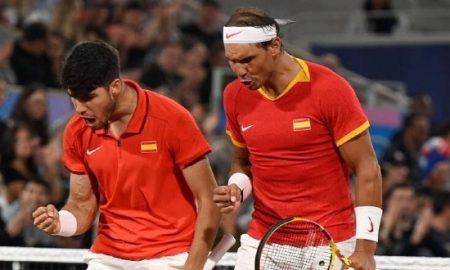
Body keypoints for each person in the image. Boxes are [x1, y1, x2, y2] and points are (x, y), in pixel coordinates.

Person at [213, 7, 382, 270]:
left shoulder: (329, 88)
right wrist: (237, 188)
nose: (239, 71)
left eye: (247, 59)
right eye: (232, 61)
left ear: (274, 46)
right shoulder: (234, 95)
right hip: (263, 239)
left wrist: (365, 249)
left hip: (330, 241)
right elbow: (243, 162)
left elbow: (367, 168)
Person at [32, 41, 220, 269]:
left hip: (170, 257)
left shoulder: (172, 119)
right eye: (74, 97)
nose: (80, 108)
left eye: (89, 97)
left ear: (115, 87)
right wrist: (59, 222)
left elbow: (209, 199)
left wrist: (194, 266)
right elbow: (81, 207)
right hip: (108, 257)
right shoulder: (76, 130)